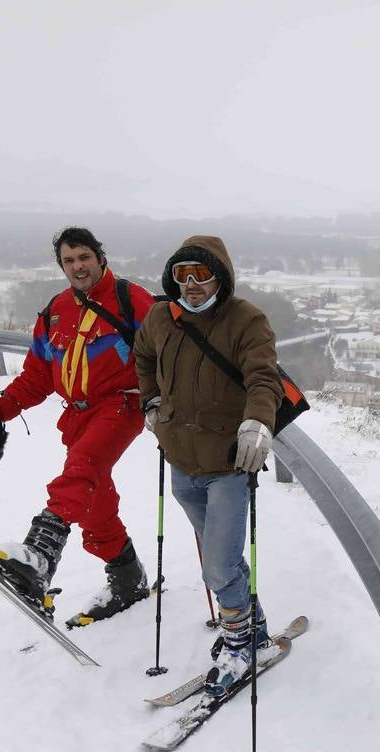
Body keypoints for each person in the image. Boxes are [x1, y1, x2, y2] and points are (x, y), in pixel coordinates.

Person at [0, 226, 153, 628]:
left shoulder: (133, 301)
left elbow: (167, 354)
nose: (78, 267)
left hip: (122, 403)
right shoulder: (57, 310)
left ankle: (40, 553)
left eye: (85, 258)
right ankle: (128, 576)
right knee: (92, 500)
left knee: (82, 469)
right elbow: (38, 374)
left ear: (100, 257)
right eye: (69, 261)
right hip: (76, 414)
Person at [134, 235, 283, 694]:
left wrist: (257, 423)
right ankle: (250, 618)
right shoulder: (161, 317)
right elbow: (142, 358)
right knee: (221, 551)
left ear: (221, 275)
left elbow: (264, 377)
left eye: (202, 273)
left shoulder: (246, 320)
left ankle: (239, 641)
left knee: (217, 564)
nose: (192, 284)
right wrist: (152, 403)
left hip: (228, 462)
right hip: (180, 458)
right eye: (182, 274)